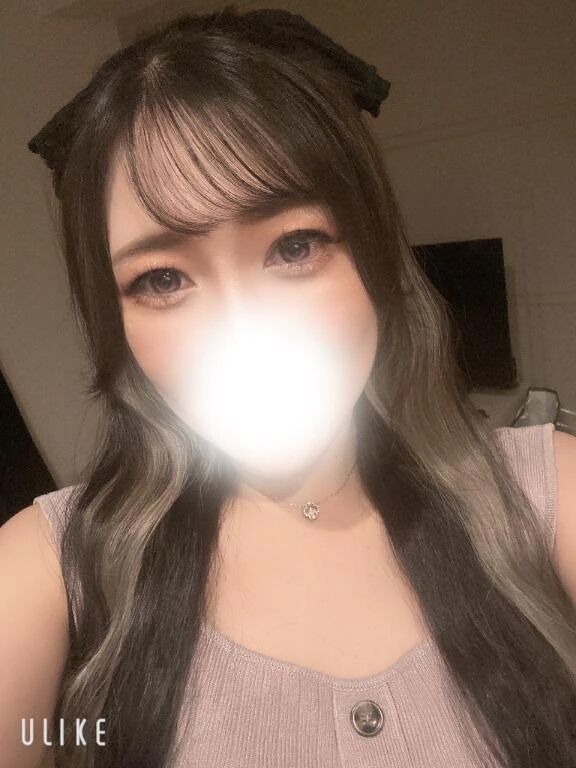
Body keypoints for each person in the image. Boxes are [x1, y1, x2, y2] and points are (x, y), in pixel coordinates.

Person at [2, 5, 576, 767]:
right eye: (162, 278)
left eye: (295, 245)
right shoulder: (49, 571)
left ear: (375, 257)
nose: (242, 329)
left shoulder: (545, 493)